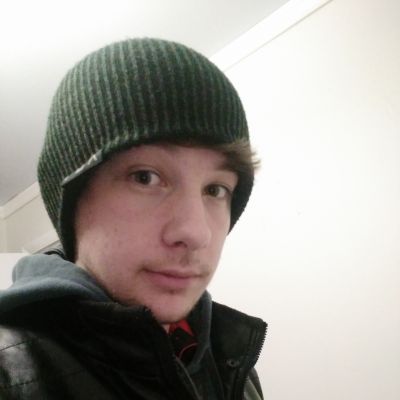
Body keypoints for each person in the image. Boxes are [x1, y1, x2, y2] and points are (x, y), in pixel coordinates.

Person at [0, 38, 267, 399]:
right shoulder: (11, 376)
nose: (195, 232)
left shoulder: (234, 365)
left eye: (215, 189)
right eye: (145, 177)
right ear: (72, 203)